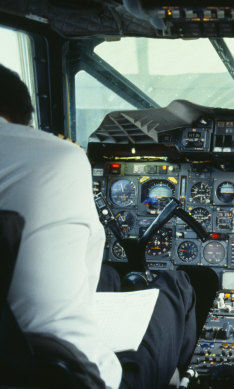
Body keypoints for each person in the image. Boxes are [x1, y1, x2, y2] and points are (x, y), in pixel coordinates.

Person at [0, 63, 197, 389]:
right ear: (22, 119)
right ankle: (172, 377)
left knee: (110, 275)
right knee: (177, 285)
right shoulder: (57, 156)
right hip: (72, 376)